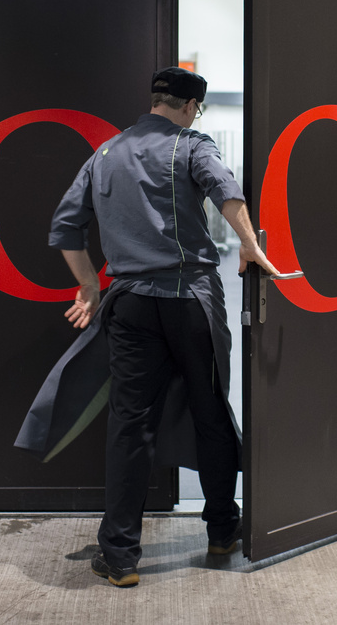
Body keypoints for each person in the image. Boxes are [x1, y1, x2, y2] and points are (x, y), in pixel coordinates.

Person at [16, 67, 278, 588]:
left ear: (156, 101)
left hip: (131, 302)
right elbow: (226, 190)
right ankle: (223, 530)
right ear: (190, 107)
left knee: (130, 423)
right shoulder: (191, 145)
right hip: (190, 299)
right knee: (210, 412)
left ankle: (119, 556)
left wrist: (90, 285)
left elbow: (66, 227)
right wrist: (250, 243)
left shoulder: (106, 154)